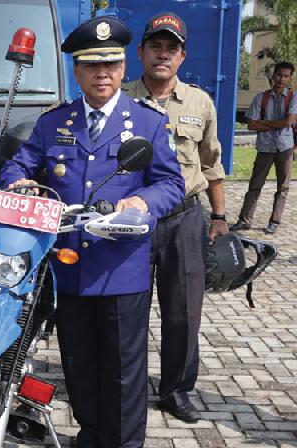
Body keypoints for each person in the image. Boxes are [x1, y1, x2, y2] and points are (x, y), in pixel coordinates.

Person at [0, 16, 185, 448]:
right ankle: (90, 435)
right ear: (77, 71)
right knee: (79, 365)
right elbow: (19, 164)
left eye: (111, 65)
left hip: (122, 268)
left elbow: (171, 184)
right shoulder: (53, 123)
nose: (102, 74)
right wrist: (19, 182)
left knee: (123, 371)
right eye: (91, 65)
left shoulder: (147, 122)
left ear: (123, 69)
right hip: (69, 268)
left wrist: (143, 202)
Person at [123, 12, 229, 423]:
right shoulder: (122, 97)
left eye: (171, 48)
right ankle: (127, 385)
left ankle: (176, 390)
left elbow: (211, 164)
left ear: (181, 56)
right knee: (127, 307)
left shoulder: (200, 102)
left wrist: (219, 217)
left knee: (183, 311)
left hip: (185, 219)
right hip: (133, 220)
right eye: (155, 46)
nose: (162, 54)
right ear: (141, 52)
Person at [231, 62, 297, 234]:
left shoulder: (293, 97)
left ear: (290, 78)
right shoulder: (261, 98)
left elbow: (289, 122)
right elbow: (251, 125)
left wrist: (264, 123)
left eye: (286, 76)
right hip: (265, 148)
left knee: (283, 187)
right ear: (273, 75)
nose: (281, 79)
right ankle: (244, 220)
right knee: (255, 185)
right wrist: (277, 125)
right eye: (279, 75)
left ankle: (274, 221)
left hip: (285, 148)